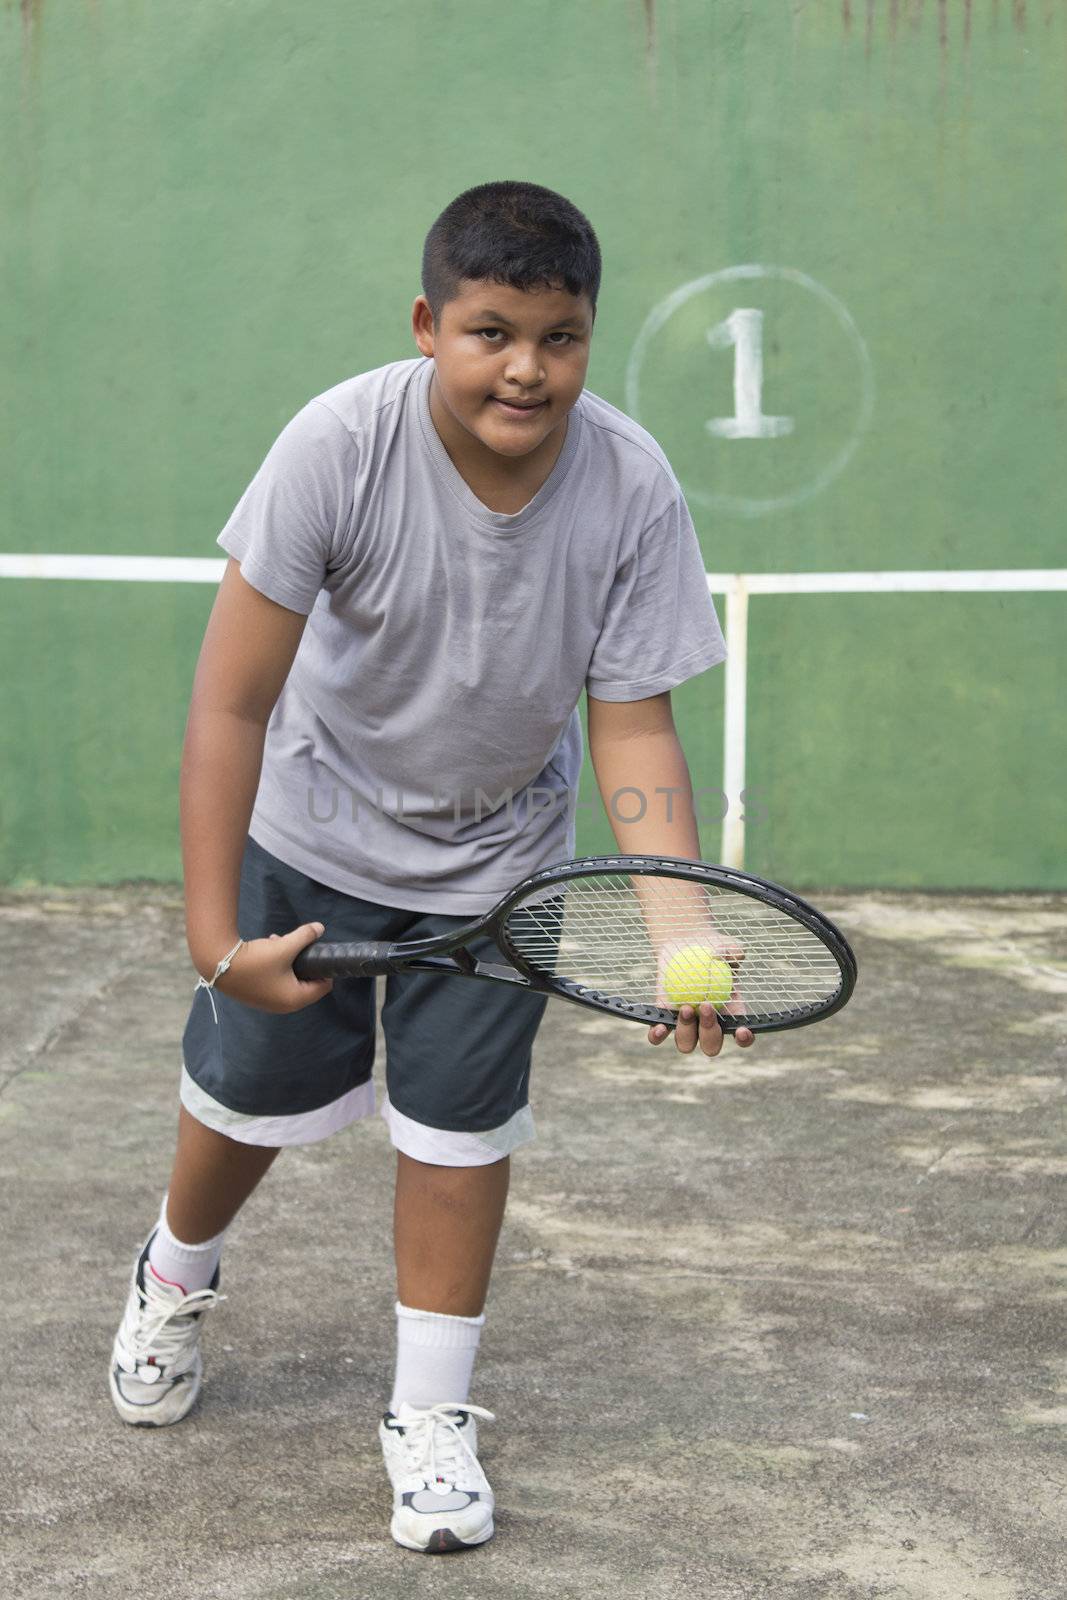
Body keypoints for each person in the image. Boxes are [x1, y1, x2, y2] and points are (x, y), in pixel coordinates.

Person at [108, 179, 755, 1555]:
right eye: (491, 331)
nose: (527, 366)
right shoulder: (336, 445)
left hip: (496, 868)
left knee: (461, 1136)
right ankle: (174, 1277)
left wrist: (683, 942)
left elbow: (634, 729)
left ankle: (432, 1413)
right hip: (313, 839)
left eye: (561, 336)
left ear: (592, 335)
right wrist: (216, 941)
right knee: (241, 1103)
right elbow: (231, 703)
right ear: (428, 326)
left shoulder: (631, 484)